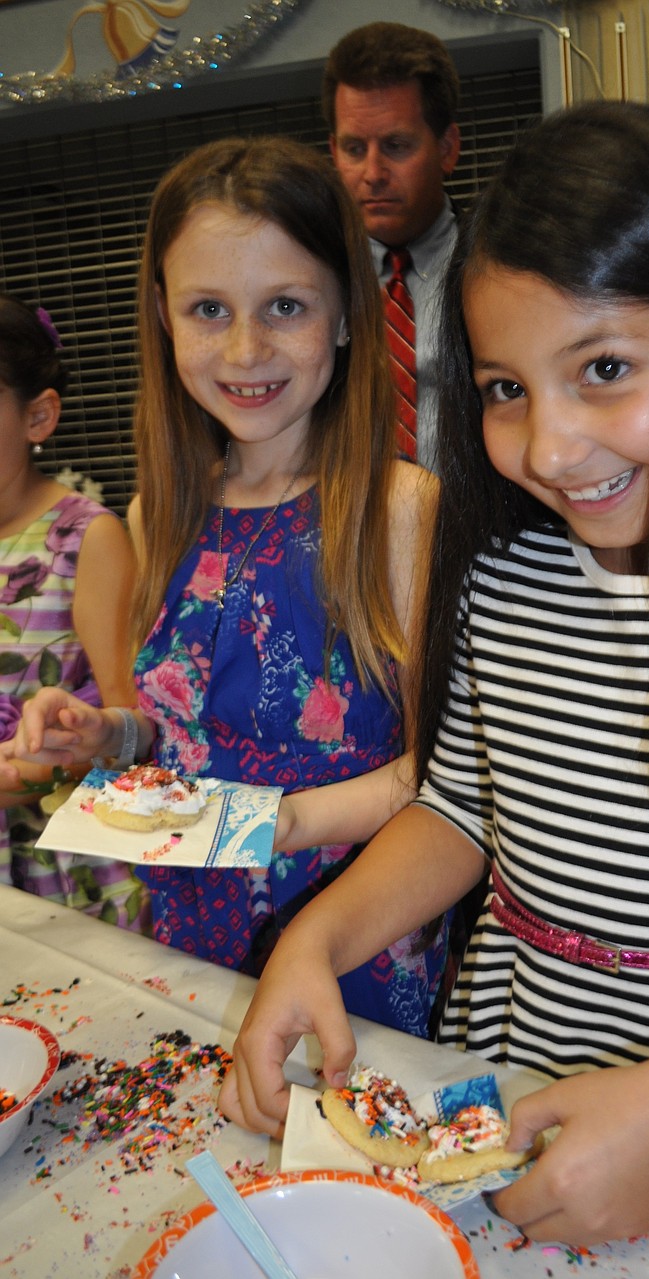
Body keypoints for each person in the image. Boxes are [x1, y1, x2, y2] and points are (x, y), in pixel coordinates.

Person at [216, 103, 649, 1245]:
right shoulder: (508, 574)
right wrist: (318, 938)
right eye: (506, 388)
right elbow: (463, 808)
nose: (549, 448)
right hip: (503, 1083)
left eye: (603, 367)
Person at [0, 136, 447, 1039]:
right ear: (164, 318)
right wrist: (108, 732)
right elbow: (184, 728)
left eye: (285, 305)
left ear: (347, 315)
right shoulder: (160, 508)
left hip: (346, 942)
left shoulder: (399, 509)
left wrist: (270, 826)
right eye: (210, 309)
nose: (246, 349)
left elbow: (443, 774)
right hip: (189, 933)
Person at [0, 293, 144, 928]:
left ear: (38, 416)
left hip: (63, 874)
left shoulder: (86, 538)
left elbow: (133, 733)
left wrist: (39, 761)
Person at [323, 21, 461, 471]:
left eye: (396, 145)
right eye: (354, 148)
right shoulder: (311, 283)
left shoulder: (496, 269)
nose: (373, 172)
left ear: (447, 148)